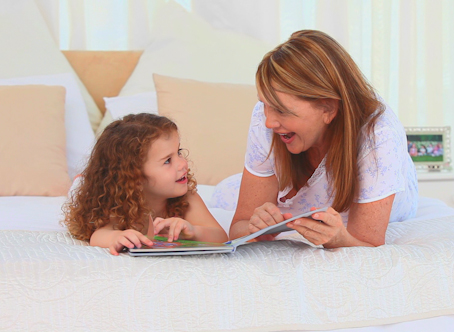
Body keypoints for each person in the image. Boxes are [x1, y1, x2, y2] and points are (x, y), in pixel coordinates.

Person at [228, 30, 418, 248]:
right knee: (223, 193)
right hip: (303, 195)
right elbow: (238, 227)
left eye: (281, 110)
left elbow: (369, 247)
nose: (269, 122)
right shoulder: (265, 118)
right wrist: (256, 230)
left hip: (385, 188)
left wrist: (340, 240)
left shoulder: (378, 136)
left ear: (328, 108)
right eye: (264, 104)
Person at [62, 113, 228, 255]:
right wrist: (116, 237)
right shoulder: (122, 203)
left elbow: (221, 236)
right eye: (168, 161)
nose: (183, 164)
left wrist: (193, 232)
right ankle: (79, 179)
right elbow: (98, 235)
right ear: (135, 176)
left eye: (178, 152)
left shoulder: (186, 199)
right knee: (80, 185)